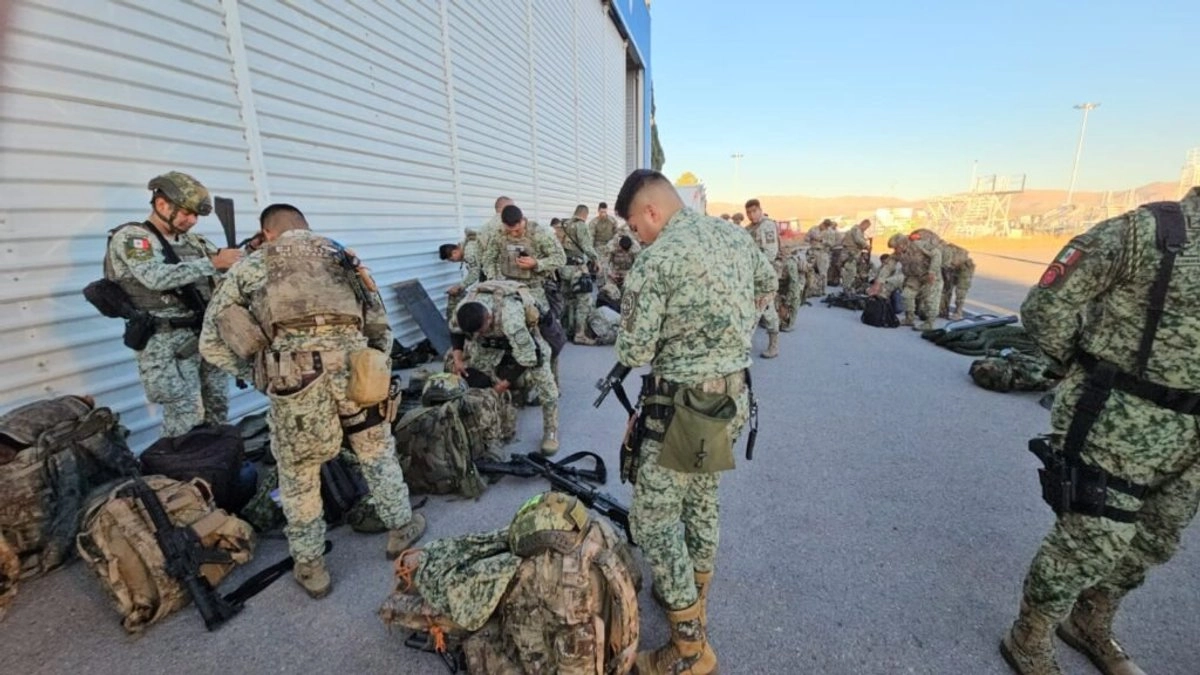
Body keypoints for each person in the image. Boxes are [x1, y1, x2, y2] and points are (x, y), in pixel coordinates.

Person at [1000, 188, 1200, 675]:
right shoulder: (1145, 232)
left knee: (1153, 539)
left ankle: (1088, 622)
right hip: (1118, 418)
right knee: (1094, 537)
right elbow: (1047, 306)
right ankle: (1030, 635)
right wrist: (1083, 369)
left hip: (1191, 434)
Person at [198, 203, 425, 599]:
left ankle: (311, 565)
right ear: (306, 228)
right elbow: (379, 321)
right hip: (356, 368)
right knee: (376, 453)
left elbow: (210, 343)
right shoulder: (342, 256)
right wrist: (375, 362)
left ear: (268, 232)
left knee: (299, 473)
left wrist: (257, 374)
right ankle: (400, 528)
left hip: (294, 376)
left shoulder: (254, 264)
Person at [613, 169, 776, 675]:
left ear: (650, 212)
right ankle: (691, 599)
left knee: (654, 522)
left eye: (636, 227)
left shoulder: (655, 261)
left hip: (681, 412)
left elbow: (635, 349)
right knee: (702, 499)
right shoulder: (732, 235)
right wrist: (731, 333)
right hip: (732, 398)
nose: (637, 237)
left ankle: (690, 651)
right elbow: (768, 283)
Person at [104, 172, 242, 437]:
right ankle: (183, 475)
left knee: (217, 409)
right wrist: (213, 263)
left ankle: (219, 471)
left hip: (203, 339)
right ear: (162, 205)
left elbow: (224, 266)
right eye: (186, 213)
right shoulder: (134, 238)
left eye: (196, 216)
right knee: (185, 416)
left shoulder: (193, 241)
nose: (191, 221)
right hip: (164, 345)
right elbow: (154, 276)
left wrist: (245, 252)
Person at [448, 280, 560, 454]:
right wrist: (458, 358)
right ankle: (491, 419)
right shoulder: (462, 309)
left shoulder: (511, 318)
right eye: (475, 333)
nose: (478, 334)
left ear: (489, 318)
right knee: (475, 376)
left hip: (529, 342)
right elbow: (455, 333)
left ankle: (551, 431)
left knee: (547, 387)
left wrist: (505, 383)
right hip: (490, 343)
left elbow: (528, 358)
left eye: (481, 330)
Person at [871, 232, 943, 330]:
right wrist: (878, 282)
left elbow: (937, 254)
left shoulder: (919, 245)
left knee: (931, 299)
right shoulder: (898, 253)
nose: (894, 250)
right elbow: (888, 267)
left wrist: (932, 271)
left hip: (931, 276)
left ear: (902, 244)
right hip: (914, 277)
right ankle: (909, 319)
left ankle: (929, 324)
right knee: (907, 295)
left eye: (896, 247)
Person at [744, 199, 782, 357]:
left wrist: (753, 268)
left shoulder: (767, 226)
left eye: (754, 211)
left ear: (760, 209)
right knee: (764, 309)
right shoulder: (748, 229)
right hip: (751, 276)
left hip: (764, 275)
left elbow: (770, 253)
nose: (752, 215)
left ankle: (773, 345)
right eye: (749, 213)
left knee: (762, 308)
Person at [560, 204, 600, 345]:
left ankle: (567, 330)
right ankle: (580, 334)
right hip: (577, 268)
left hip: (563, 268)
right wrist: (596, 259)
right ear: (585, 214)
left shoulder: (563, 224)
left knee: (568, 300)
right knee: (583, 300)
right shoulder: (581, 225)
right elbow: (586, 246)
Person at [839, 219, 872, 294]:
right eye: (866, 227)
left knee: (854, 271)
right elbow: (858, 239)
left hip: (854, 253)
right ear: (864, 224)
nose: (866, 229)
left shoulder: (858, 231)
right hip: (850, 253)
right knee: (851, 271)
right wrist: (866, 245)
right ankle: (846, 289)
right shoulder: (856, 230)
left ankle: (849, 287)